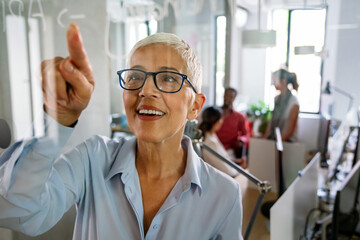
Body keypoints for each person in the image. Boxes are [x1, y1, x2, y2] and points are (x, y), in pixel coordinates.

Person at [0, 23, 243, 239]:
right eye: (135, 76)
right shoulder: (93, 158)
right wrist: (58, 119)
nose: (146, 90)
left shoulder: (224, 195)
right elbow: (19, 212)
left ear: (195, 106)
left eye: (168, 78)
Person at [198, 106, 245, 177]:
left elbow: (223, 157)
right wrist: (241, 168)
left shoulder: (211, 135)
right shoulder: (210, 143)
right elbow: (227, 171)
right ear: (217, 121)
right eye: (221, 118)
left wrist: (236, 161)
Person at [264, 68, 300, 142]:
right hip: (275, 140)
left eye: (275, 80)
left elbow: (290, 130)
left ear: (283, 81)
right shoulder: (277, 99)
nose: (273, 83)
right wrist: (264, 141)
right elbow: (271, 122)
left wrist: (277, 143)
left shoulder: (294, 102)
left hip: (287, 142)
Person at [216, 87, 249, 159]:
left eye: (230, 96)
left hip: (229, 150)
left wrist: (240, 140)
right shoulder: (215, 113)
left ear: (234, 99)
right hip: (214, 147)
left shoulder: (239, 117)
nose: (227, 98)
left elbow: (246, 135)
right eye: (226, 95)